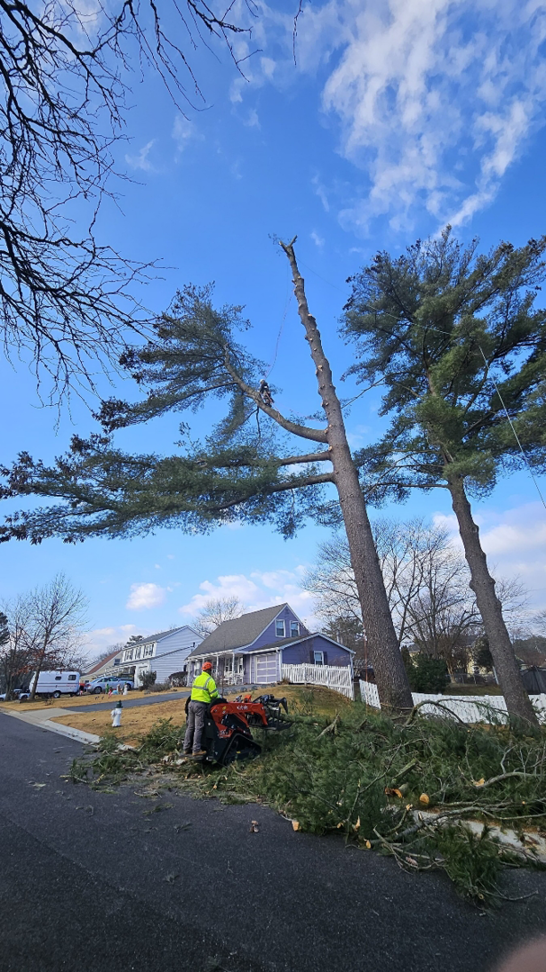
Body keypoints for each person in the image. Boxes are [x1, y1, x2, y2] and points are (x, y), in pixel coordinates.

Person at [183, 661, 219, 757]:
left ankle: (186, 748)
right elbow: (214, 695)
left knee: (190, 726)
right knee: (199, 727)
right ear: (210, 670)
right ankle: (196, 750)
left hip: (191, 704)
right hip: (200, 706)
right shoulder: (210, 680)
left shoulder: (197, 679)